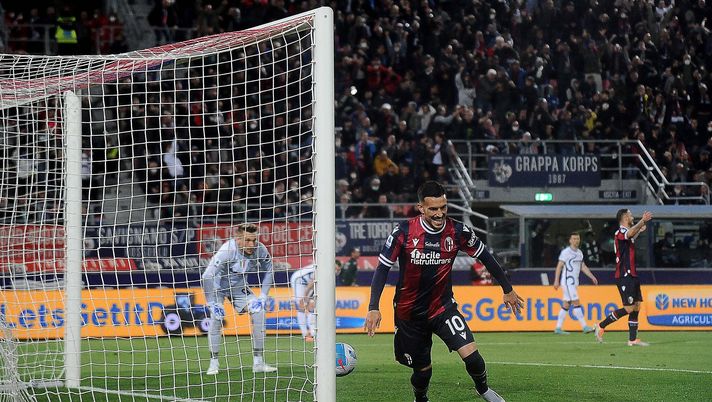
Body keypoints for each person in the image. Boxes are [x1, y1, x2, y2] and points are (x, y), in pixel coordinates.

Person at [364, 181, 523, 402]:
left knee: (473, 357)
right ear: (421, 208)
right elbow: (382, 268)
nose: (440, 214)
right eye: (433, 209)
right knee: (423, 372)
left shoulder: (458, 231)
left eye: (443, 207)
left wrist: (507, 289)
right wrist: (373, 307)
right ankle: (421, 398)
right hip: (409, 314)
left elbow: (485, 256)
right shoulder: (404, 231)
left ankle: (484, 389)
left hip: (443, 308)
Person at [201, 223, 277, 375]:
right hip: (218, 288)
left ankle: (258, 363)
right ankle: (213, 364)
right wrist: (211, 303)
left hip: (239, 288)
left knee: (259, 311)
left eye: (254, 240)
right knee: (216, 317)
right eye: (248, 240)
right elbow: (207, 276)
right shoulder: (227, 251)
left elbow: (270, 270)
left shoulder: (260, 249)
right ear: (238, 240)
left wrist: (263, 296)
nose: (252, 244)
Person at [595, 209, 653, 346]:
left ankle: (632, 339)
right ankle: (601, 325)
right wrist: (642, 221)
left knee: (637, 306)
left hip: (632, 274)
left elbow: (631, 235)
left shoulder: (626, 234)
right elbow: (630, 233)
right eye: (631, 214)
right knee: (628, 308)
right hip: (624, 275)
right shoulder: (620, 232)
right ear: (625, 217)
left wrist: (639, 229)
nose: (632, 216)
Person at [553, 232, 598, 335]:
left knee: (566, 304)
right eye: (574, 239)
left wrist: (592, 276)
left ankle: (558, 328)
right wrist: (556, 280)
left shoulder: (579, 253)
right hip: (568, 281)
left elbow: (583, 267)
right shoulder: (566, 252)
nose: (576, 241)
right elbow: (559, 266)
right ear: (570, 240)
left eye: (577, 239)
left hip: (574, 282)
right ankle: (585, 326)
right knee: (576, 302)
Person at [290, 264, 316, 342]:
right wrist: (305, 296)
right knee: (302, 306)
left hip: (308, 282)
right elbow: (312, 282)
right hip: (298, 280)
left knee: (312, 305)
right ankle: (305, 334)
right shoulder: (322, 268)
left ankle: (312, 333)